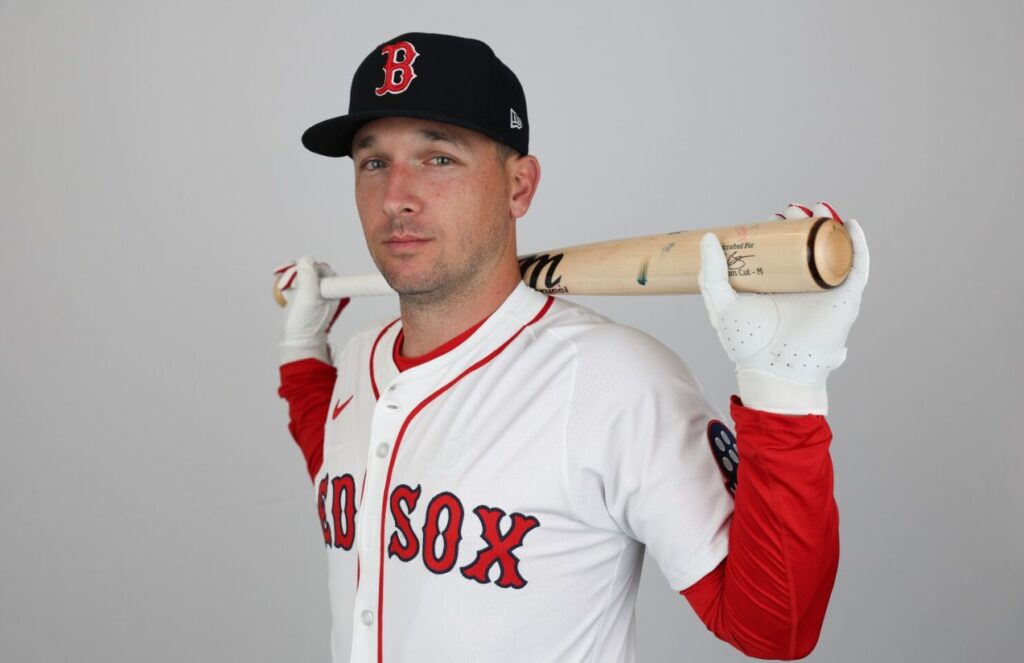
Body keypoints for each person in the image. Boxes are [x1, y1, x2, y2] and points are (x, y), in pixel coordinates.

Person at [275, 32, 869, 663]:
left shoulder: (614, 380)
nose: (396, 196)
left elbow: (776, 629)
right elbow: (345, 464)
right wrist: (302, 350)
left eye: (438, 158)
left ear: (518, 188)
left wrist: (785, 392)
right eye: (373, 162)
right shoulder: (360, 365)